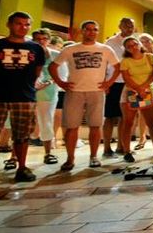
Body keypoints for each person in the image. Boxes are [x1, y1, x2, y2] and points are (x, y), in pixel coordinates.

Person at [0, 12, 46, 184]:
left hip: (24, 97)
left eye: (26, 24)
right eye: (18, 23)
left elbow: (37, 72)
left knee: (22, 135)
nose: (22, 27)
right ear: (9, 24)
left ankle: (22, 168)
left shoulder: (36, 48)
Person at [50, 20, 119, 171]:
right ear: (82, 31)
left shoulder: (105, 49)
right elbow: (53, 66)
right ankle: (70, 158)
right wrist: (61, 83)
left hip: (97, 91)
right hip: (75, 91)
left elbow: (117, 67)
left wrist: (109, 83)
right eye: (88, 29)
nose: (91, 32)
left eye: (95, 29)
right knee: (71, 126)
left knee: (96, 125)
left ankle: (94, 156)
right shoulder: (71, 49)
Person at [118, 36, 153, 162]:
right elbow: (126, 78)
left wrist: (144, 87)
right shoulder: (126, 61)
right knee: (129, 122)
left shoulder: (150, 57)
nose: (133, 47)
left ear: (139, 44)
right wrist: (138, 89)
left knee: (151, 122)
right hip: (131, 93)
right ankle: (127, 151)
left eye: (135, 44)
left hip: (148, 92)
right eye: (129, 46)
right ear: (126, 49)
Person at [103, 17, 136, 157]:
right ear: (120, 26)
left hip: (131, 84)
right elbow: (105, 63)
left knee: (126, 116)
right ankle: (106, 147)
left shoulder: (136, 42)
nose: (129, 28)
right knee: (110, 116)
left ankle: (121, 146)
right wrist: (106, 82)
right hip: (114, 82)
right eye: (127, 25)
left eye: (132, 26)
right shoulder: (110, 42)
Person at [31, 28, 60, 165]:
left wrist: (47, 82)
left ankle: (48, 153)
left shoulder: (55, 55)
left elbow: (62, 75)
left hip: (48, 93)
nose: (41, 42)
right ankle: (14, 156)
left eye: (44, 39)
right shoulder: (29, 53)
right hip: (28, 92)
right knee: (21, 124)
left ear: (49, 40)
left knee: (46, 121)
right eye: (38, 39)